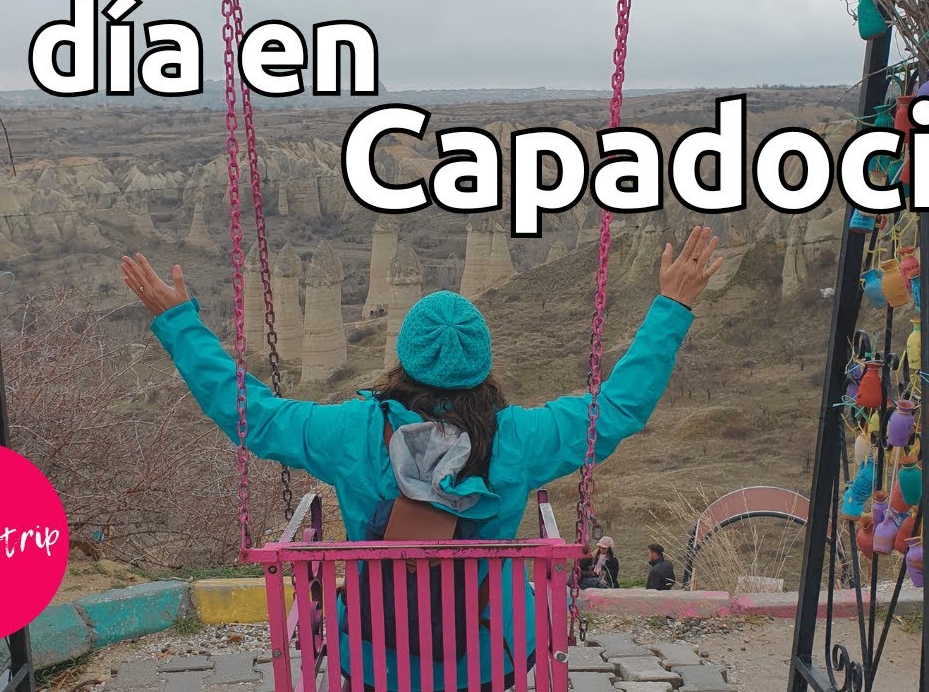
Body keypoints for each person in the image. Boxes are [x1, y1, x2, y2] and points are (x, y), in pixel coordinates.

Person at [120, 226, 723, 692]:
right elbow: (619, 408)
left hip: (371, 655)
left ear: (402, 360)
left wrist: (179, 324)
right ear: (482, 365)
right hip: (490, 658)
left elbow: (254, 414)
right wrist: (670, 306)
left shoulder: (353, 432)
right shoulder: (520, 438)